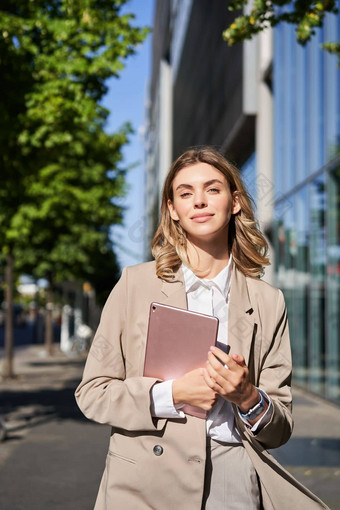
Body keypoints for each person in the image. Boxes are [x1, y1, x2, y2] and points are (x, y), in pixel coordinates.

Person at [75, 147, 329, 509]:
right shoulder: (135, 285)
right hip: (143, 479)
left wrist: (248, 397)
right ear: (172, 210)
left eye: (212, 189)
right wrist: (173, 394)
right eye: (185, 193)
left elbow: (280, 427)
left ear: (235, 202)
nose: (199, 201)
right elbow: (93, 393)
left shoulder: (268, 301)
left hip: (233, 478)